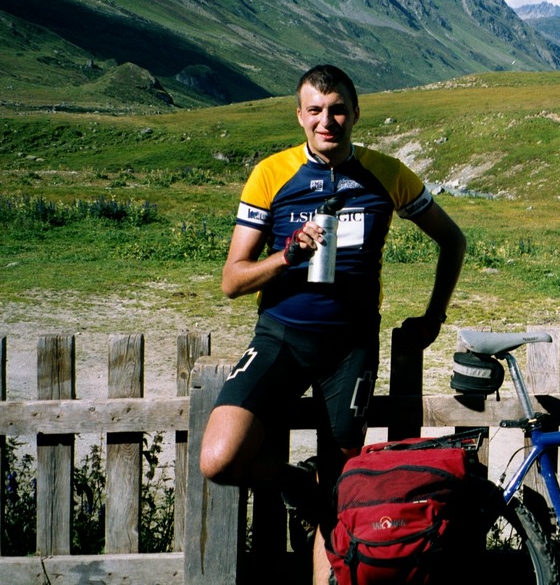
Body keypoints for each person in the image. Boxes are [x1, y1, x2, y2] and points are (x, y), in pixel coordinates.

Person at [199, 64, 467, 583]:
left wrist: (434, 317)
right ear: (300, 116)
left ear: (355, 113)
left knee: (339, 495)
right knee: (219, 459)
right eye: (316, 110)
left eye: (338, 109)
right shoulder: (271, 174)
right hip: (280, 336)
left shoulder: (388, 174)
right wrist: (286, 256)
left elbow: (452, 240)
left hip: (351, 347)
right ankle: (298, 486)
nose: (328, 120)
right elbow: (232, 281)